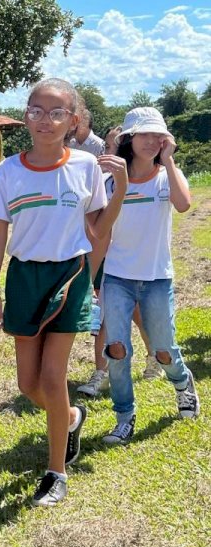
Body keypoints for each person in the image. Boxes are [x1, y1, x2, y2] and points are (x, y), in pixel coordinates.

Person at [0, 78, 128, 507]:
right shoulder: (8, 169)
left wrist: (118, 191)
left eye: (56, 113)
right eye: (36, 111)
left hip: (70, 276)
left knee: (52, 376)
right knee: (28, 384)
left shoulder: (85, 167)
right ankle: (69, 418)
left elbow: (99, 231)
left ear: (73, 120)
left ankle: (55, 474)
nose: (45, 120)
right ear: (25, 115)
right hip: (24, 278)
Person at [101, 107, 199, 445]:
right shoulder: (112, 180)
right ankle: (124, 416)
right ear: (129, 138)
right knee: (116, 349)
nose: (152, 140)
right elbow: (97, 230)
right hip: (117, 278)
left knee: (163, 349)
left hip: (157, 278)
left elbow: (183, 204)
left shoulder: (167, 176)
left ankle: (183, 383)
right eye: (144, 134)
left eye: (158, 135)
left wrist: (169, 161)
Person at [77, 127, 155, 397]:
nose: (106, 155)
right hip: (106, 259)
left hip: (133, 262)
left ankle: (153, 354)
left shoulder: (146, 182)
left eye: (111, 149)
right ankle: (102, 372)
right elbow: (97, 231)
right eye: (105, 149)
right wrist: (90, 274)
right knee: (105, 316)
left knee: (137, 314)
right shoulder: (103, 184)